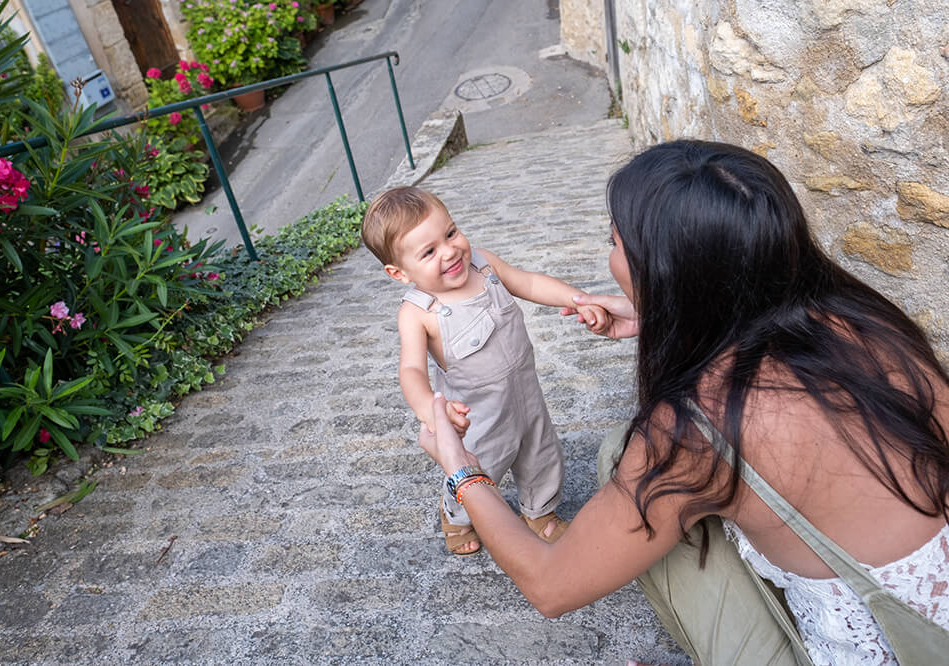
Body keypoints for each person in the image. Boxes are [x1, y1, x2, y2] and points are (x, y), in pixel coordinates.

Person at [417, 141, 949, 664]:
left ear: (665, 270)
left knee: (624, 466)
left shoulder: (693, 429)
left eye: (614, 241)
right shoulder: (867, 319)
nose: (611, 256)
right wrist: (661, 319)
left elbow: (550, 585)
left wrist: (460, 467)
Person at [361, 186, 611, 556]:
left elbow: (529, 282)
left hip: (525, 393)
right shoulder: (418, 312)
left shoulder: (485, 266)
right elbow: (411, 369)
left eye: (450, 233)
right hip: (477, 416)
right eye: (429, 252)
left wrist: (578, 300)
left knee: (541, 452)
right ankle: (456, 516)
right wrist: (431, 407)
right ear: (399, 272)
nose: (449, 251)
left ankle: (540, 513)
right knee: (479, 469)